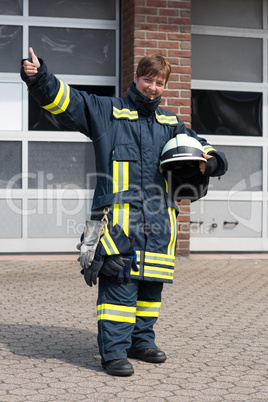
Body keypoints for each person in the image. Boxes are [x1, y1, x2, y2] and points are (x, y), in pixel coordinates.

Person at [21, 48, 228, 376]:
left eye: (160, 82)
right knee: (119, 287)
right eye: (148, 79)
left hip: (159, 226)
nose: (153, 87)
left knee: (150, 290)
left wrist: (211, 163)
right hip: (117, 226)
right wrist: (39, 76)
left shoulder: (171, 124)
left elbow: (205, 149)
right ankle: (114, 352)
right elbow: (68, 102)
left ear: (165, 86)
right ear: (136, 78)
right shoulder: (108, 112)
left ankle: (141, 341)